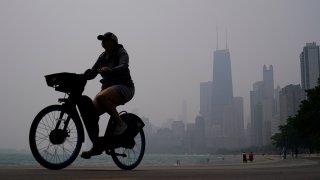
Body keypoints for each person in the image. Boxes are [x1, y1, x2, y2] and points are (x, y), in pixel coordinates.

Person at [81, 32, 135, 159]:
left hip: (125, 88)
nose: (102, 42)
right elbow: (93, 73)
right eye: (102, 40)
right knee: (90, 114)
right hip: (107, 89)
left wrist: (110, 70)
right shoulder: (102, 57)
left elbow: (124, 66)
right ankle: (96, 146)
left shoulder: (121, 52)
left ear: (113, 42)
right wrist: (83, 76)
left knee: (101, 97)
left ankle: (121, 125)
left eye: (105, 40)